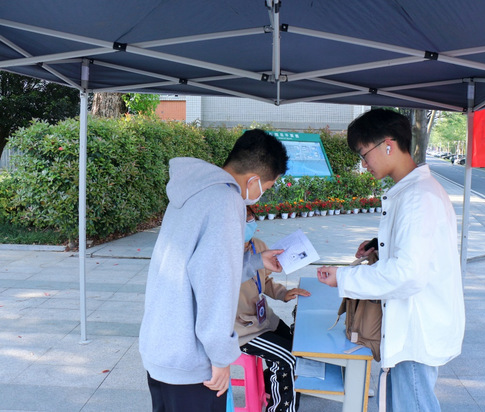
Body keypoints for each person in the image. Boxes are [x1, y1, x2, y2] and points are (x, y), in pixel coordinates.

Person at [316, 109, 465, 411]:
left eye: (364, 153)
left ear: (387, 144)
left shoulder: (417, 197)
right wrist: (378, 247)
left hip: (416, 329)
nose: (364, 163)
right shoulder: (414, 191)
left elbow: (406, 273)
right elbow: (417, 249)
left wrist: (342, 277)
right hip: (413, 324)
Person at [139, 129, 289, 412]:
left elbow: (198, 267)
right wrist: (221, 358)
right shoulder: (226, 201)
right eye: (266, 188)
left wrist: (256, 261)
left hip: (162, 345)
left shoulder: (192, 190)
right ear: (254, 180)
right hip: (190, 358)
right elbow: (214, 286)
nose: (261, 196)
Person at [235, 206, 310, 412]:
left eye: (250, 217)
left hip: (263, 318)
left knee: (298, 346)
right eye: (242, 218)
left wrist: (283, 293)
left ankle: (273, 383)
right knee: (287, 358)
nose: (248, 223)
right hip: (240, 330)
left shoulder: (258, 246)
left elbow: (265, 280)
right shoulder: (222, 252)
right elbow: (225, 279)